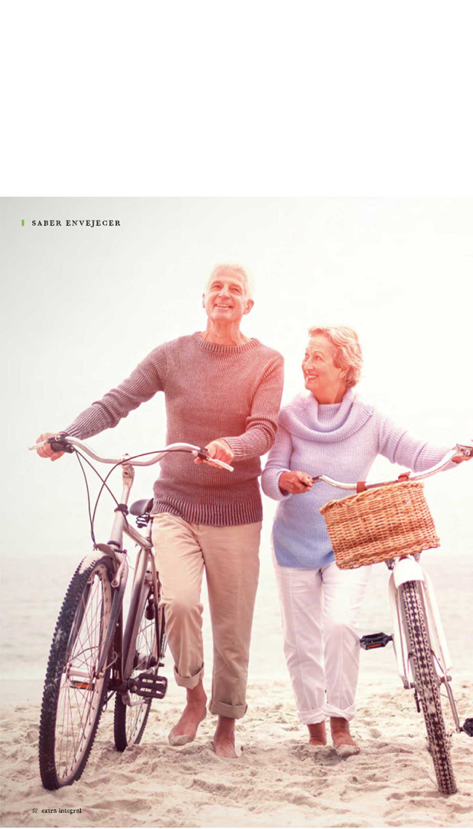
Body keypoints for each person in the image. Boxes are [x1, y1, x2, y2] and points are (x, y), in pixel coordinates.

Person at [36, 263, 284, 758]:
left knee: (232, 628)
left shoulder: (267, 362)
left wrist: (229, 447)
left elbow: (264, 431)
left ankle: (226, 725)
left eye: (236, 289)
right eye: (217, 286)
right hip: (176, 504)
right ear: (203, 297)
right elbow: (117, 401)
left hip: (236, 512)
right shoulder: (172, 355)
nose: (225, 294)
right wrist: (70, 435)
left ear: (249, 305)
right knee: (179, 603)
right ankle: (193, 696)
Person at [262, 325, 471, 756]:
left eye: (317, 356)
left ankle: (341, 723)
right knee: (300, 640)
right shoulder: (290, 418)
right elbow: (269, 475)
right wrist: (284, 479)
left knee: (340, 626)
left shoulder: (369, 418)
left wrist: (455, 452)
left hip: (347, 545)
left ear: (344, 366)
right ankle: (314, 728)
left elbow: (416, 453)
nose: (307, 363)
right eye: (306, 355)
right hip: (292, 544)